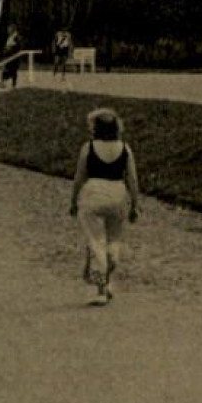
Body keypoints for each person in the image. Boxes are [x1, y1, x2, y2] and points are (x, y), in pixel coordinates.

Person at [67, 108, 140, 306]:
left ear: (96, 129)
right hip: (118, 193)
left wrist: (73, 201)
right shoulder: (125, 148)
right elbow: (132, 179)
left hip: (93, 193)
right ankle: (110, 270)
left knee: (96, 241)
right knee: (113, 240)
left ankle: (100, 289)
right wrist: (135, 204)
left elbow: (79, 177)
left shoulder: (88, 147)